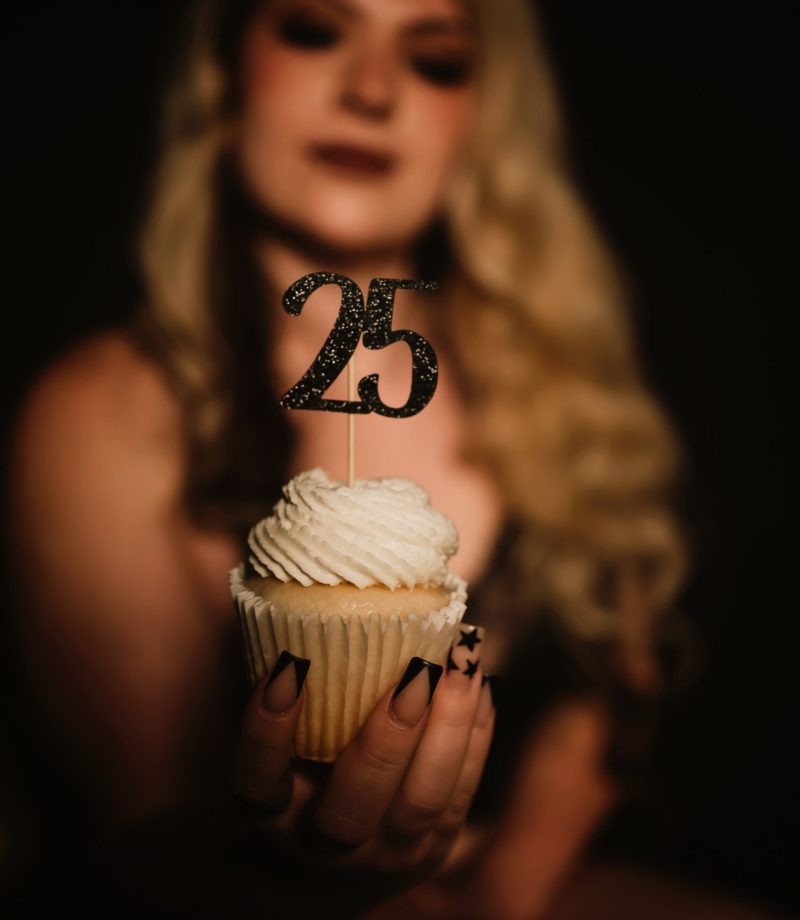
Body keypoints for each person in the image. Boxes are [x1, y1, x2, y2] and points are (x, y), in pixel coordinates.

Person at [5, 0, 689, 916]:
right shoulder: (102, 413)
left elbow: (611, 697)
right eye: (315, 30)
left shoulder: (563, 393)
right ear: (223, 71)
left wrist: (500, 892)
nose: (370, 90)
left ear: (486, 111)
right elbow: (142, 850)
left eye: (435, 58)